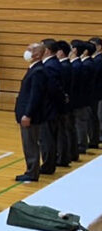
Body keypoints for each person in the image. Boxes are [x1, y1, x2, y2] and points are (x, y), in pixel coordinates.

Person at [15, 43, 49, 183]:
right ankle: (31, 169)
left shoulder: (38, 71)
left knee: (31, 143)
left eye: (30, 50)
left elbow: (35, 96)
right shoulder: (33, 69)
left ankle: (32, 171)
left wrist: (27, 114)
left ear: (37, 54)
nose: (26, 52)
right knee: (28, 143)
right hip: (26, 113)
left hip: (30, 116)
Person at [39, 39, 67, 173]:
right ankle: (49, 163)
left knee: (47, 138)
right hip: (52, 108)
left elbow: (52, 89)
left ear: (47, 51)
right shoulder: (53, 63)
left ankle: (48, 165)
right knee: (48, 137)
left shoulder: (50, 66)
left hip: (48, 108)